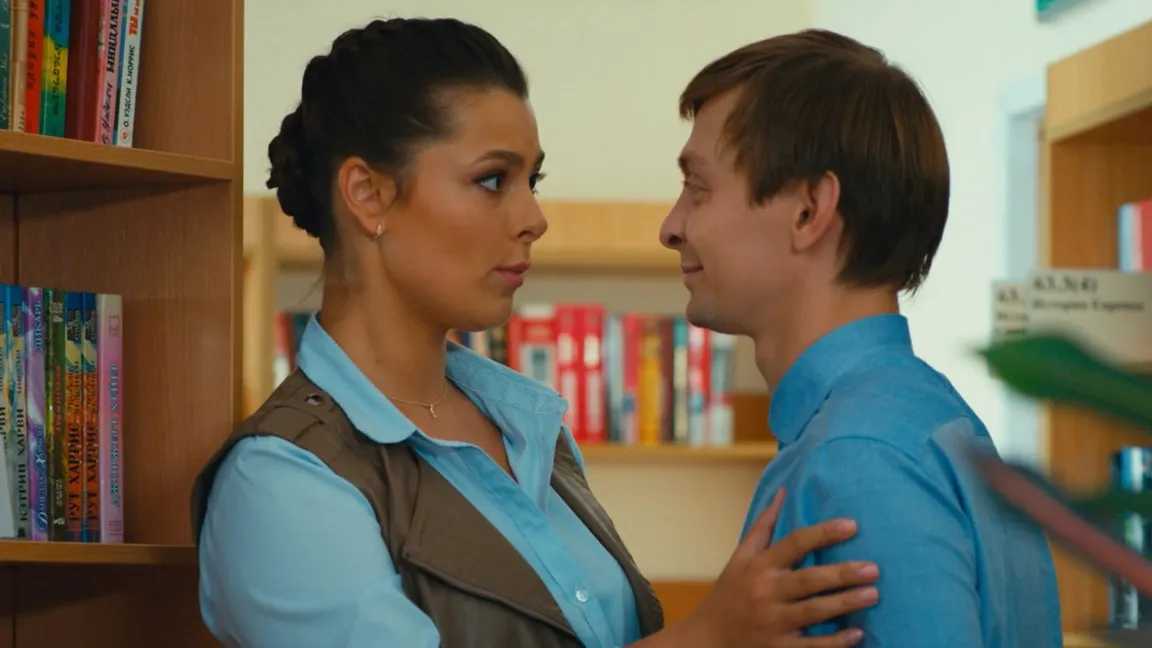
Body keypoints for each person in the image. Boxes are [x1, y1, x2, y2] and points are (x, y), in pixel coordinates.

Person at [190, 18, 883, 648]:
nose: (533, 218)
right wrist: (709, 637)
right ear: (368, 195)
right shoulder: (280, 484)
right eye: (493, 180)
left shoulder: (527, 425)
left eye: (533, 180)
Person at [659, 28, 1063, 646]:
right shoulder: (930, 423)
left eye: (698, 189)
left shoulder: (854, 457)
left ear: (808, 210)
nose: (671, 226)